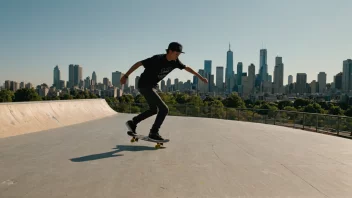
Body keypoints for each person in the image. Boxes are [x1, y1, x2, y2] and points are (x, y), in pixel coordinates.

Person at [120, 42, 208, 141]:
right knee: (164, 109)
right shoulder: (157, 59)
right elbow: (139, 63)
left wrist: (201, 77)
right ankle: (154, 132)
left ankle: (133, 122)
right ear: (170, 51)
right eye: (176, 54)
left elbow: (187, 68)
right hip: (144, 85)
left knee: (154, 110)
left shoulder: (175, 62)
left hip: (152, 86)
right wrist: (126, 75)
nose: (177, 56)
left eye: (179, 54)